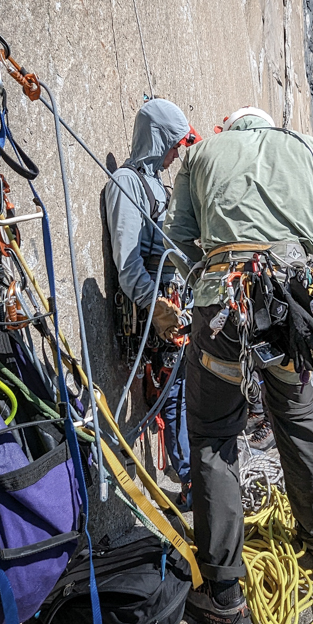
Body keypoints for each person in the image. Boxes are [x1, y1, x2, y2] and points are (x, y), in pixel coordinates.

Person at [165, 106, 313, 624]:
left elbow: (176, 234)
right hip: (289, 304)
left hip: (223, 302)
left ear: (231, 127)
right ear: (268, 125)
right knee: (298, 418)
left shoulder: (202, 154)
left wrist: (207, 268)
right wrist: (299, 236)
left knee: (213, 435)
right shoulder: (305, 147)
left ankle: (225, 598)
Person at [102, 98, 201, 507]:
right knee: (173, 389)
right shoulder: (126, 185)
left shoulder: (154, 186)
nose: (177, 153)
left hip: (169, 300)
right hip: (149, 310)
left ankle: (192, 473)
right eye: (174, 144)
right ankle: (189, 476)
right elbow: (128, 264)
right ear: (158, 138)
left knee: (182, 384)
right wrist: (157, 308)